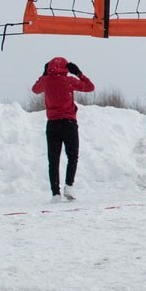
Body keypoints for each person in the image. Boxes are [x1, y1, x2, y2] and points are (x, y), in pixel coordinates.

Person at [31, 57, 95, 202]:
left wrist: (44, 75)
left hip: (52, 124)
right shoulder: (69, 81)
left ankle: (55, 194)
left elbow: (35, 90)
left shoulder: (46, 81)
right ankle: (69, 186)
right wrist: (79, 73)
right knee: (72, 156)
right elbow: (90, 87)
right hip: (69, 122)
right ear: (66, 67)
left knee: (53, 160)